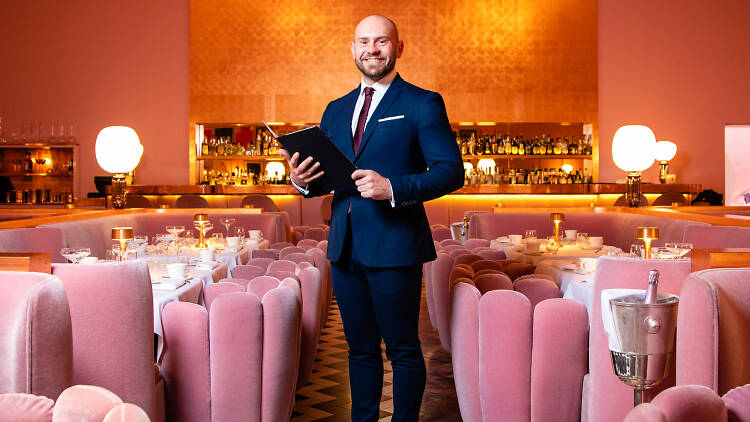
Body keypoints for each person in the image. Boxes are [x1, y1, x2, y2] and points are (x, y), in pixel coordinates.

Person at [281, 15, 463, 422]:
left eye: (382, 42)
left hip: (396, 243)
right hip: (344, 246)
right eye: (364, 41)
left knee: (402, 349)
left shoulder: (422, 102)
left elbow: (452, 171)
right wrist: (301, 181)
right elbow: (323, 180)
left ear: (398, 48)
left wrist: (393, 188)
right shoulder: (335, 109)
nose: (372, 49)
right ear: (353, 49)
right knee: (359, 349)